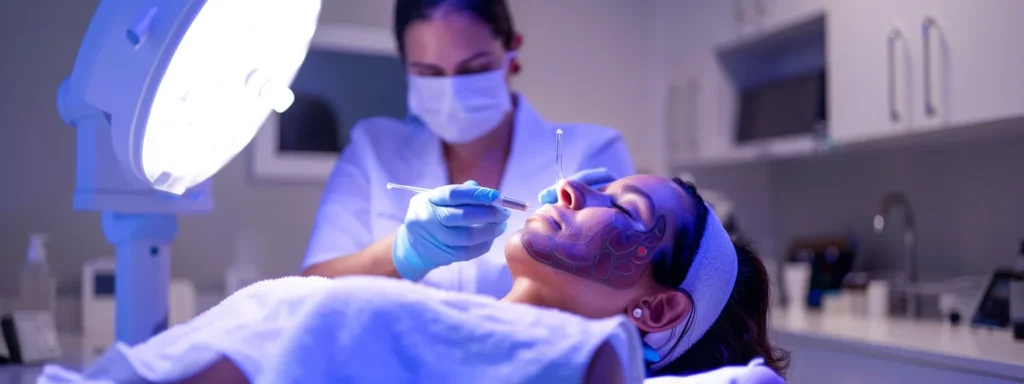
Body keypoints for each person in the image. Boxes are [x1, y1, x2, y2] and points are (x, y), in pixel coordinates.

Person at [41, 175, 786, 383]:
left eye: (621, 204)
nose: (569, 189)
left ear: (655, 310)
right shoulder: (463, 329)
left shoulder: (578, 360)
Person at [301, 0, 635, 299]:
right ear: (405, 67)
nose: (453, 93)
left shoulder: (591, 151)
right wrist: (404, 250)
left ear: (512, 56)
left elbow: (632, 295)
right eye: (429, 73)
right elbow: (307, 289)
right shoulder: (374, 149)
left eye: (474, 70)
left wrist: (599, 248)